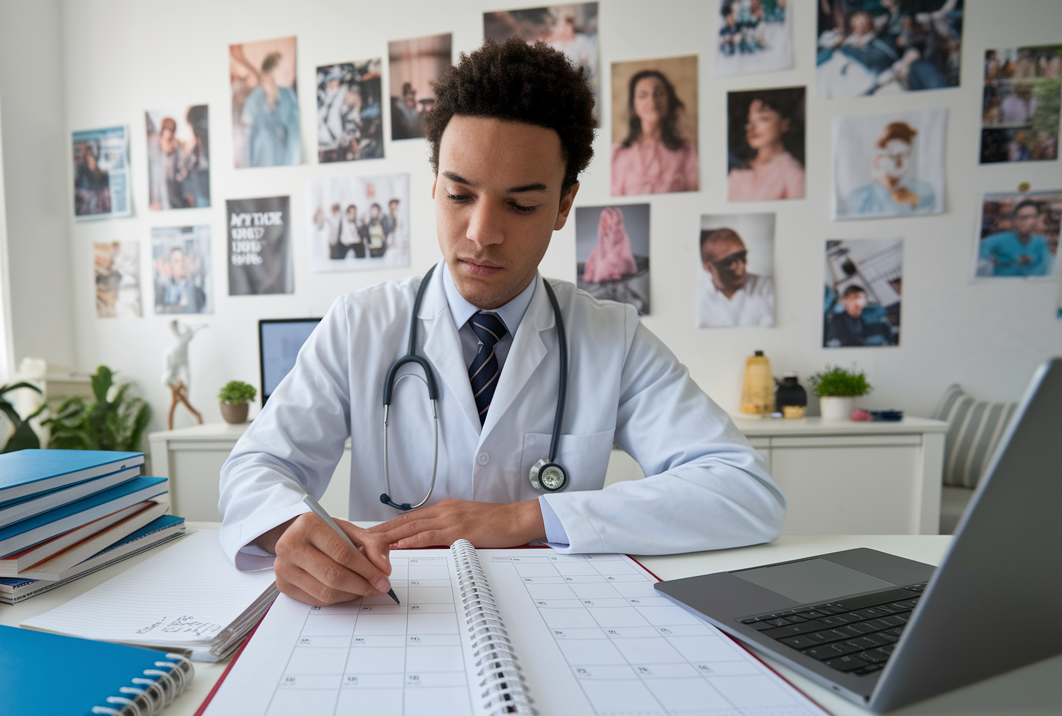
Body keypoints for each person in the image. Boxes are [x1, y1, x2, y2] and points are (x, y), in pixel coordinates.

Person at [218, 38, 784, 607]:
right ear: (434, 184)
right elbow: (257, 468)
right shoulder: (360, 325)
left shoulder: (611, 338)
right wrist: (288, 532)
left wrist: (525, 517)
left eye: (521, 205)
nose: (481, 233)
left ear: (564, 205)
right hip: (391, 616)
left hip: (560, 618)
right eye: (460, 194)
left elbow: (744, 491)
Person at [611, 70, 699, 196]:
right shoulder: (617, 153)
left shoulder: (686, 149)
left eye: (659, 93)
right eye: (643, 95)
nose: (652, 101)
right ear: (633, 104)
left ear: (669, 99)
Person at [841, 120, 936, 217]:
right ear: (878, 157)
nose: (898, 164)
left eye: (904, 156)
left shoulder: (925, 192)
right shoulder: (856, 198)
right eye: (892, 156)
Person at [727, 91, 805, 201]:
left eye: (763, 118)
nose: (752, 127)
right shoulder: (738, 172)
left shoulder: (794, 175)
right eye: (750, 120)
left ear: (784, 124)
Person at [697, 228, 774, 327]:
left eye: (742, 257)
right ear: (707, 267)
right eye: (730, 262)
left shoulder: (767, 288)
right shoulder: (699, 298)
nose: (742, 266)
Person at [240, 51, 302, 168]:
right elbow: (246, 124)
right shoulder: (256, 97)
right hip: (263, 155)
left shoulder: (288, 94)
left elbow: (294, 125)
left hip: (285, 155)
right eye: (278, 68)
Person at [978, 199, 1053, 277]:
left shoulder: (1041, 242)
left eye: (1034, 217)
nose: (1031, 222)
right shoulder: (999, 240)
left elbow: (1047, 269)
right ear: (1015, 220)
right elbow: (977, 257)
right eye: (1025, 217)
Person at [824, 285, 894, 347]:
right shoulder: (837, 316)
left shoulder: (871, 313)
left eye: (862, 298)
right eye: (854, 297)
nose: (858, 301)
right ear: (845, 300)